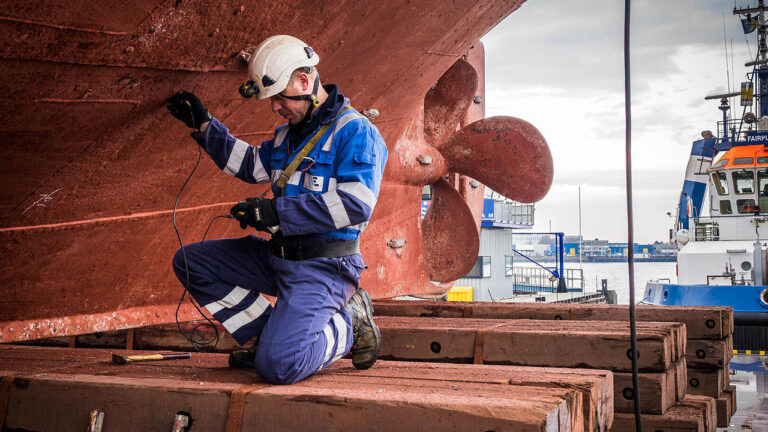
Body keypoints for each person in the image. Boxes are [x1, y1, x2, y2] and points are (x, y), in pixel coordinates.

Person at [167, 35, 388, 385]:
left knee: (278, 367)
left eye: (279, 98)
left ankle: (349, 321)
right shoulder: (287, 136)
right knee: (191, 263)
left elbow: (356, 204)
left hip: (323, 267)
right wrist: (205, 125)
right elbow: (251, 164)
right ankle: (266, 334)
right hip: (280, 258)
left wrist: (276, 213)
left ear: (304, 81)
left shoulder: (356, 132)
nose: (274, 108)